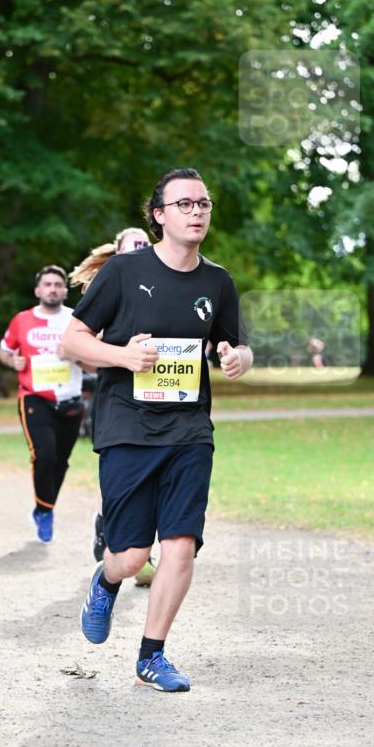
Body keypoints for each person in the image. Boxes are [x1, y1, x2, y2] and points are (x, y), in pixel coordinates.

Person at [63, 167, 253, 692]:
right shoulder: (124, 272)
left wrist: (237, 359)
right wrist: (123, 355)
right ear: (159, 215)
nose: (197, 212)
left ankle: (152, 656)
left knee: (181, 546)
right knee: (130, 557)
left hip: (190, 431)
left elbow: (238, 345)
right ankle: (105, 581)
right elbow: (73, 340)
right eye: (185, 204)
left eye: (203, 203)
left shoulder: (218, 282)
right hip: (127, 427)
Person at [70, 226, 157, 586]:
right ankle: (109, 528)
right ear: (118, 253)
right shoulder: (107, 288)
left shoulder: (163, 284)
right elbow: (78, 349)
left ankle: (139, 547)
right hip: (117, 400)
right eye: (133, 246)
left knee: (154, 475)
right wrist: (119, 355)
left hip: (159, 399)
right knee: (120, 477)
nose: (140, 251)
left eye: (145, 245)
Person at [0, 265, 84, 543]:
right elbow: (4, 350)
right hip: (34, 396)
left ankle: (43, 506)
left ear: (65, 291)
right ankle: (46, 512)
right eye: (47, 284)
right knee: (44, 454)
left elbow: (95, 362)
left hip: (70, 399)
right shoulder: (22, 320)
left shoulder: (77, 320)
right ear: (37, 290)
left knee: (61, 460)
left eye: (58, 285)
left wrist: (75, 355)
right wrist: (12, 361)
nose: (52, 289)